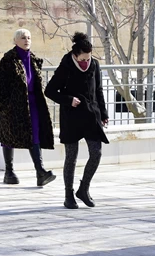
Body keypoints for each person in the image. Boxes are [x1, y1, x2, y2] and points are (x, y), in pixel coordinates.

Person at [45, 32, 109, 209]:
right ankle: (68, 195)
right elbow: (50, 91)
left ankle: (84, 189)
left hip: (91, 115)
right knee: (71, 157)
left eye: (88, 58)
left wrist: (103, 113)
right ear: (75, 54)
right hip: (71, 117)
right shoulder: (66, 65)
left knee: (96, 153)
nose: (86, 61)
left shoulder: (94, 64)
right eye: (83, 58)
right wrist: (68, 100)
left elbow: (99, 90)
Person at [0, 29, 56, 187]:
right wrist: (8, 102)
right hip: (13, 105)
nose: (26, 40)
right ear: (15, 41)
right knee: (8, 136)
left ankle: (40, 172)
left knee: (35, 134)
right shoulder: (8, 59)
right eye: (22, 38)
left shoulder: (34, 59)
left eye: (29, 37)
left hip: (33, 103)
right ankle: (9, 171)